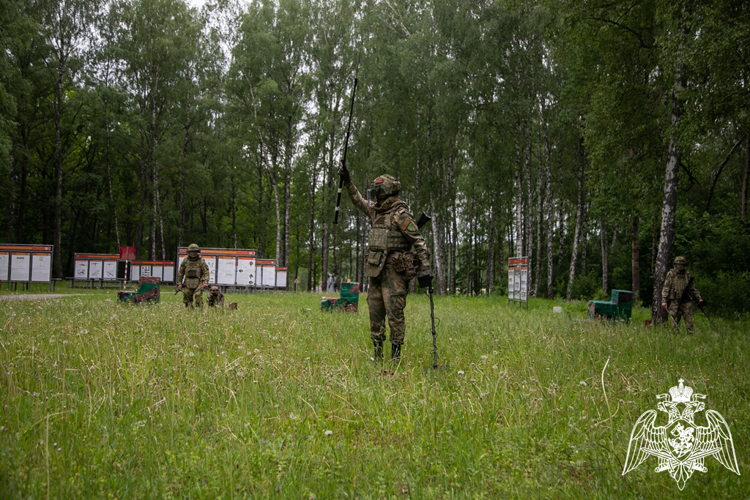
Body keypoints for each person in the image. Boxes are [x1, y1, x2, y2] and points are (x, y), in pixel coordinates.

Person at [339, 168, 432, 361]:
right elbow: (358, 200)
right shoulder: (376, 212)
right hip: (376, 271)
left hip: (394, 273)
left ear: (385, 193)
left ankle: (396, 358)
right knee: (375, 313)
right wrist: (348, 181)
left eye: (378, 193)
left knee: (395, 315)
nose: (375, 197)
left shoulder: (400, 214)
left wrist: (425, 268)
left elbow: (419, 241)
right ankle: (377, 355)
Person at [661, 256, 705, 333]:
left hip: (686, 300)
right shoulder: (671, 274)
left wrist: (699, 298)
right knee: (675, 320)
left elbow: (693, 288)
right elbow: (666, 287)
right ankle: (675, 337)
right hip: (675, 301)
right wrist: (664, 300)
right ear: (675, 265)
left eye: (681, 265)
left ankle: (690, 334)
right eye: (678, 264)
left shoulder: (687, 275)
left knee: (689, 320)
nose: (680, 266)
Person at [177, 243, 210, 308]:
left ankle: (199, 311)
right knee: (187, 297)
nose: (193, 253)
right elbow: (181, 272)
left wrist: (205, 282)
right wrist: (179, 283)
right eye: (192, 252)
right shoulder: (185, 261)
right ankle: (189, 311)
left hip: (199, 281)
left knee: (198, 296)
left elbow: (206, 272)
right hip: (188, 281)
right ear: (189, 252)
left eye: (195, 252)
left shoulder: (201, 261)